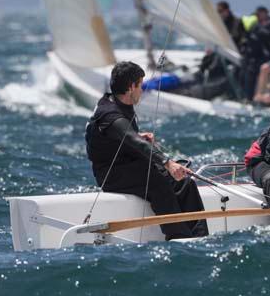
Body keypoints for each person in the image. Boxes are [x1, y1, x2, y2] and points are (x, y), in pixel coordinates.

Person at [85, 61, 208, 240]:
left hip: (130, 165)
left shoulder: (118, 103)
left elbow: (124, 137)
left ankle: (200, 237)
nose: (142, 90)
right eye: (140, 85)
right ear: (131, 87)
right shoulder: (110, 114)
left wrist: (138, 135)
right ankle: (179, 237)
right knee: (158, 181)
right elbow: (133, 140)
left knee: (184, 182)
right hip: (111, 175)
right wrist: (167, 163)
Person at [240, 6, 270, 100]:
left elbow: (269, 38)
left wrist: (258, 29)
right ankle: (243, 96)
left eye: (261, 13)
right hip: (252, 55)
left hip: (265, 56)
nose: (259, 15)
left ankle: (250, 98)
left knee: (252, 73)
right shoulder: (254, 23)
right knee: (242, 72)